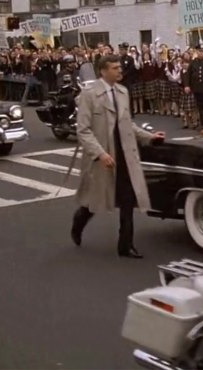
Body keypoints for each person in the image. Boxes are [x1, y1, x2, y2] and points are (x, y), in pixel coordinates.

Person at [71, 55, 166, 257]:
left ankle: (125, 245)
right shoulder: (89, 95)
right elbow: (83, 131)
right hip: (103, 155)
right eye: (115, 68)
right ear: (103, 71)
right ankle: (79, 221)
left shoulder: (123, 92)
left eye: (119, 67)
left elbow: (127, 124)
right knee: (95, 200)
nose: (120, 71)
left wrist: (149, 136)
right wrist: (100, 153)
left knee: (127, 199)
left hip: (124, 153)